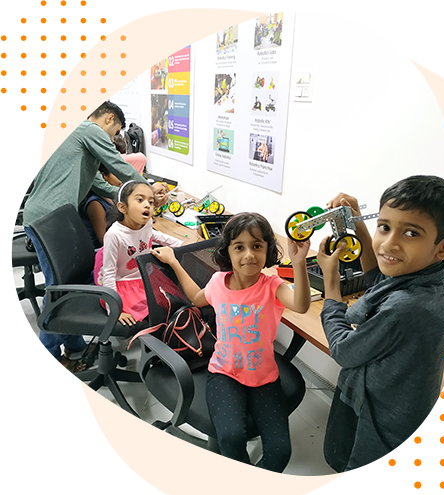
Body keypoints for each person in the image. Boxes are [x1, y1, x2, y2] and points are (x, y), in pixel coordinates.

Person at [316, 175, 444, 484]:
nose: (389, 243)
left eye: (411, 232)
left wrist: (331, 283)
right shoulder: (433, 277)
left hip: (381, 436)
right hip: (398, 416)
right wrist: (355, 219)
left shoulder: (407, 307)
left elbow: (343, 349)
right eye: (384, 227)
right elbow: (380, 279)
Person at [153, 213, 312, 472]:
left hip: (265, 378)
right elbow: (195, 297)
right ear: (228, 251)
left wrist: (299, 264)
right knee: (230, 438)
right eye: (239, 247)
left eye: (257, 246)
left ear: (267, 250)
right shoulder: (218, 283)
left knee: (281, 451)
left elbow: (302, 305)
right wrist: (173, 261)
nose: (249, 254)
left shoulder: (273, 286)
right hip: (224, 374)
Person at [24, 101, 147, 376]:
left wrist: (129, 197)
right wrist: (145, 189)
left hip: (55, 217)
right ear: (110, 119)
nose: (114, 138)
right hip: (48, 220)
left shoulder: (76, 135)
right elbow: (116, 163)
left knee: (70, 284)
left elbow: (99, 184)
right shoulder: (88, 128)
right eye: (115, 132)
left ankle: (75, 348)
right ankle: (46, 358)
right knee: (58, 289)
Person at [95, 181, 183, 326]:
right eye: (140, 200)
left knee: (171, 303)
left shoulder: (146, 224)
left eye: (151, 201)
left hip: (144, 277)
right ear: (123, 207)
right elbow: (109, 274)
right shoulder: (114, 235)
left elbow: (154, 235)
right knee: (154, 312)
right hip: (122, 285)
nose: (148, 205)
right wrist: (115, 309)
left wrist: (180, 244)